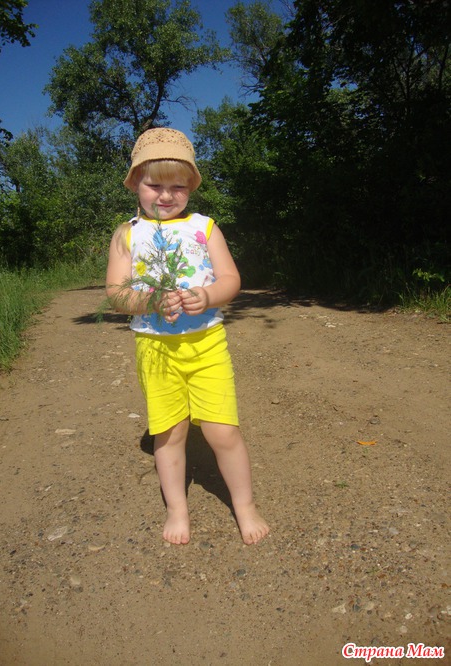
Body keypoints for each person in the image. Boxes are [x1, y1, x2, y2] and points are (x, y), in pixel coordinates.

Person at [106, 128, 269, 546]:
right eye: (154, 185)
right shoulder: (127, 234)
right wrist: (151, 301)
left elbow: (231, 279)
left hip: (206, 344)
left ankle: (245, 505)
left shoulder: (205, 227)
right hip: (155, 349)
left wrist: (209, 295)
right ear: (135, 183)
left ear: (191, 186)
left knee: (222, 431)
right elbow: (117, 293)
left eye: (177, 186)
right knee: (170, 432)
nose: (166, 195)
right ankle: (177, 509)